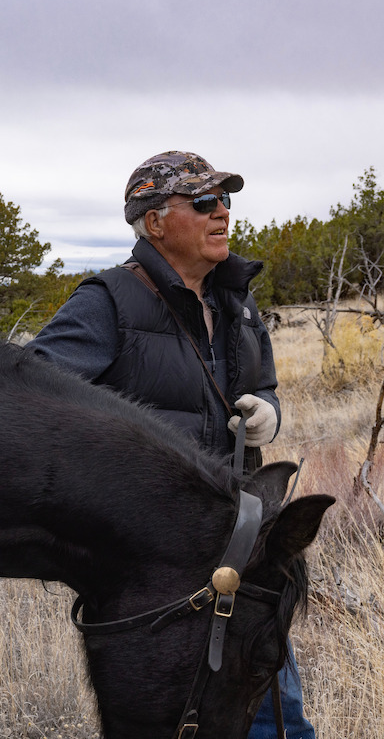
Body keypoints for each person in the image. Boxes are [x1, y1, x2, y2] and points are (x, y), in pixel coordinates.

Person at [26, 150, 315, 739]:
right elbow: (32, 394)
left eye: (226, 201)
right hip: (155, 562)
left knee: (274, 711)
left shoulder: (236, 298)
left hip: (239, 540)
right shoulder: (108, 301)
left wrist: (269, 416)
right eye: (204, 202)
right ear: (154, 221)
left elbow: (263, 386)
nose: (223, 215)